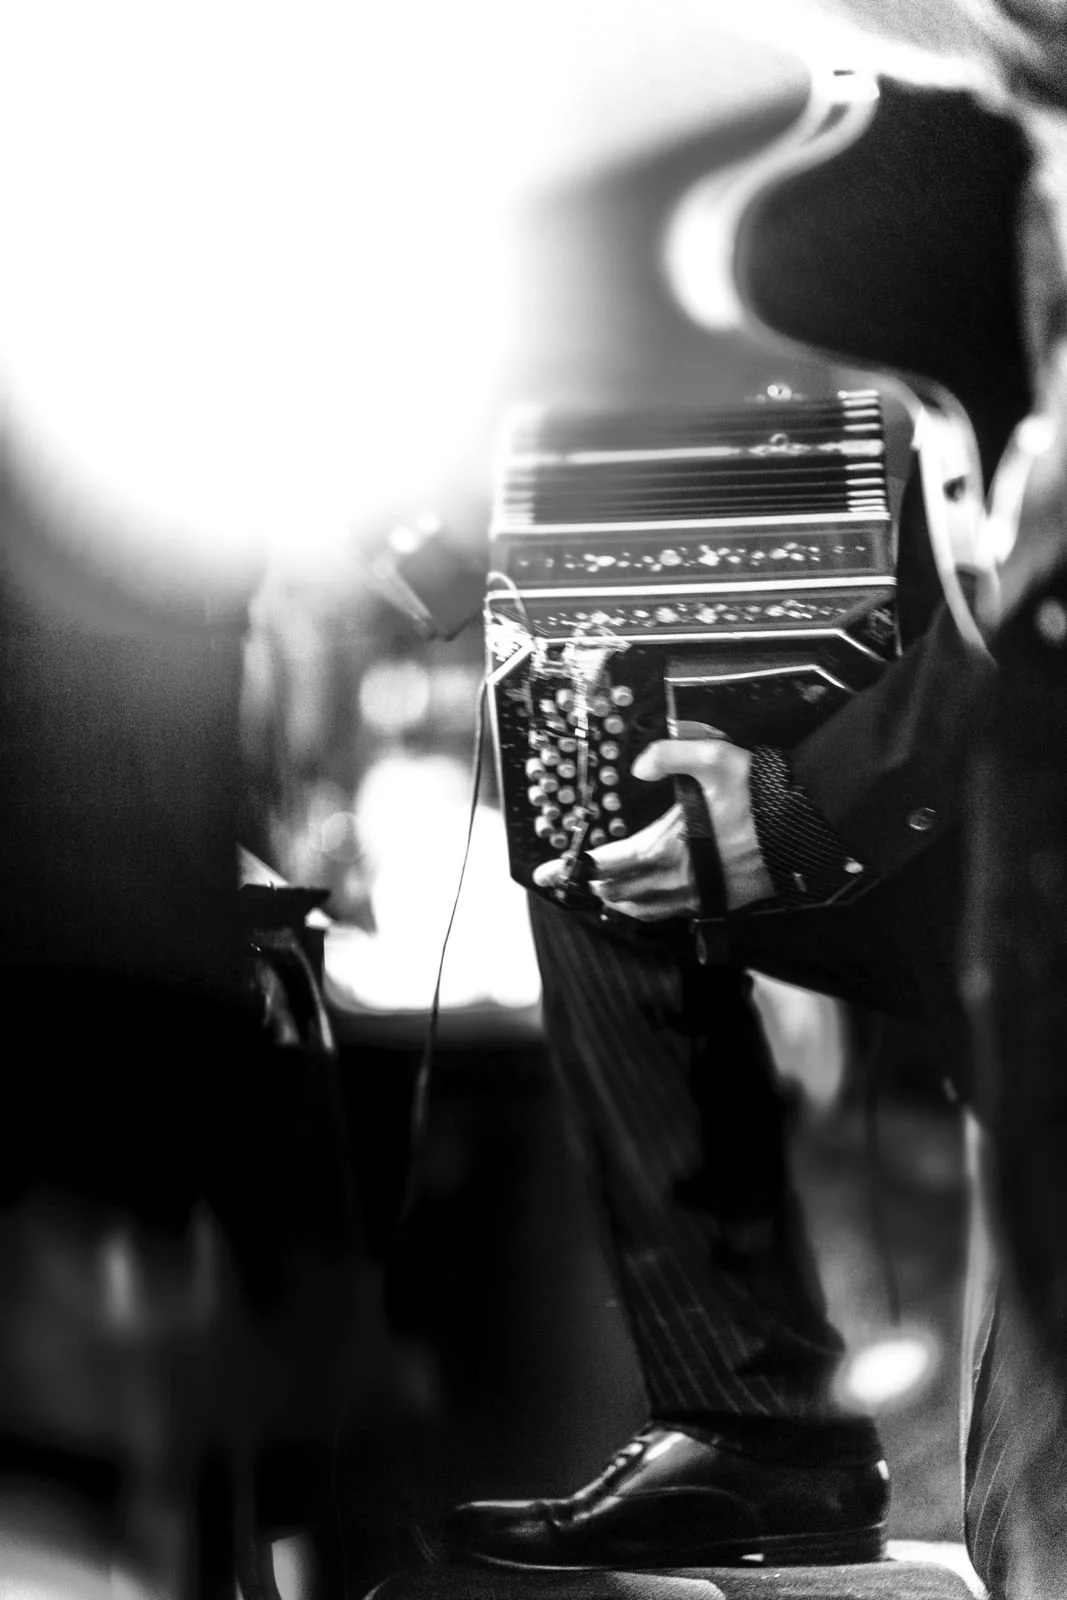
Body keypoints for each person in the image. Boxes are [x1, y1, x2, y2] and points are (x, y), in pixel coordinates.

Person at [443, 45, 1039, 1581]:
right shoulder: (956, 170)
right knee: (603, 835)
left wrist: (796, 809)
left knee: (1033, 1523)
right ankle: (753, 1430)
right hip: (1002, 835)